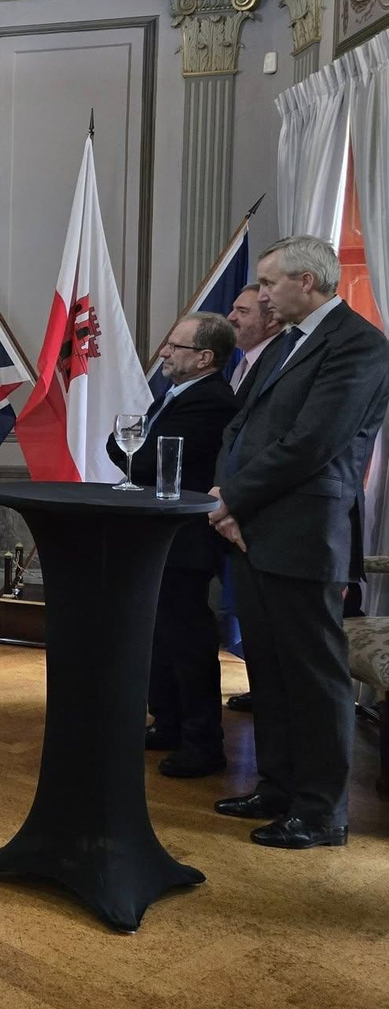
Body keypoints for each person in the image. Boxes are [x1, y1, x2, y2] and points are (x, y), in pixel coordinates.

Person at [208, 236, 389, 848]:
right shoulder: (289, 342)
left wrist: (233, 499)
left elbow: (314, 444)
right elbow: (243, 423)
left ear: (307, 282)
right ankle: (278, 786)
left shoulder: (360, 346)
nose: (261, 294)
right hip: (255, 527)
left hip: (305, 531)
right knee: (271, 670)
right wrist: (229, 499)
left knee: (313, 675)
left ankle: (321, 812)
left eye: (269, 282)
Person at [108, 312, 239, 776]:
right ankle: (167, 723)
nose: (164, 352)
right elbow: (125, 447)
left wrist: (130, 451)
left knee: (187, 641)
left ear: (204, 357)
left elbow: (142, 460)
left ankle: (202, 742)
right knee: (160, 637)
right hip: (160, 535)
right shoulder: (178, 394)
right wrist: (129, 450)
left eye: (175, 346)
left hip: (185, 539)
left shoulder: (212, 400)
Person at [223, 282, 285, 711]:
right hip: (238, 509)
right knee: (257, 619)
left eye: (242, 311)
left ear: (272, 319)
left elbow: (280, 447)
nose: (231, 318)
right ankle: (262, 689)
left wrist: (231, 502)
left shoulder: (282, 362)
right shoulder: (243, 363)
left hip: (273, 516)